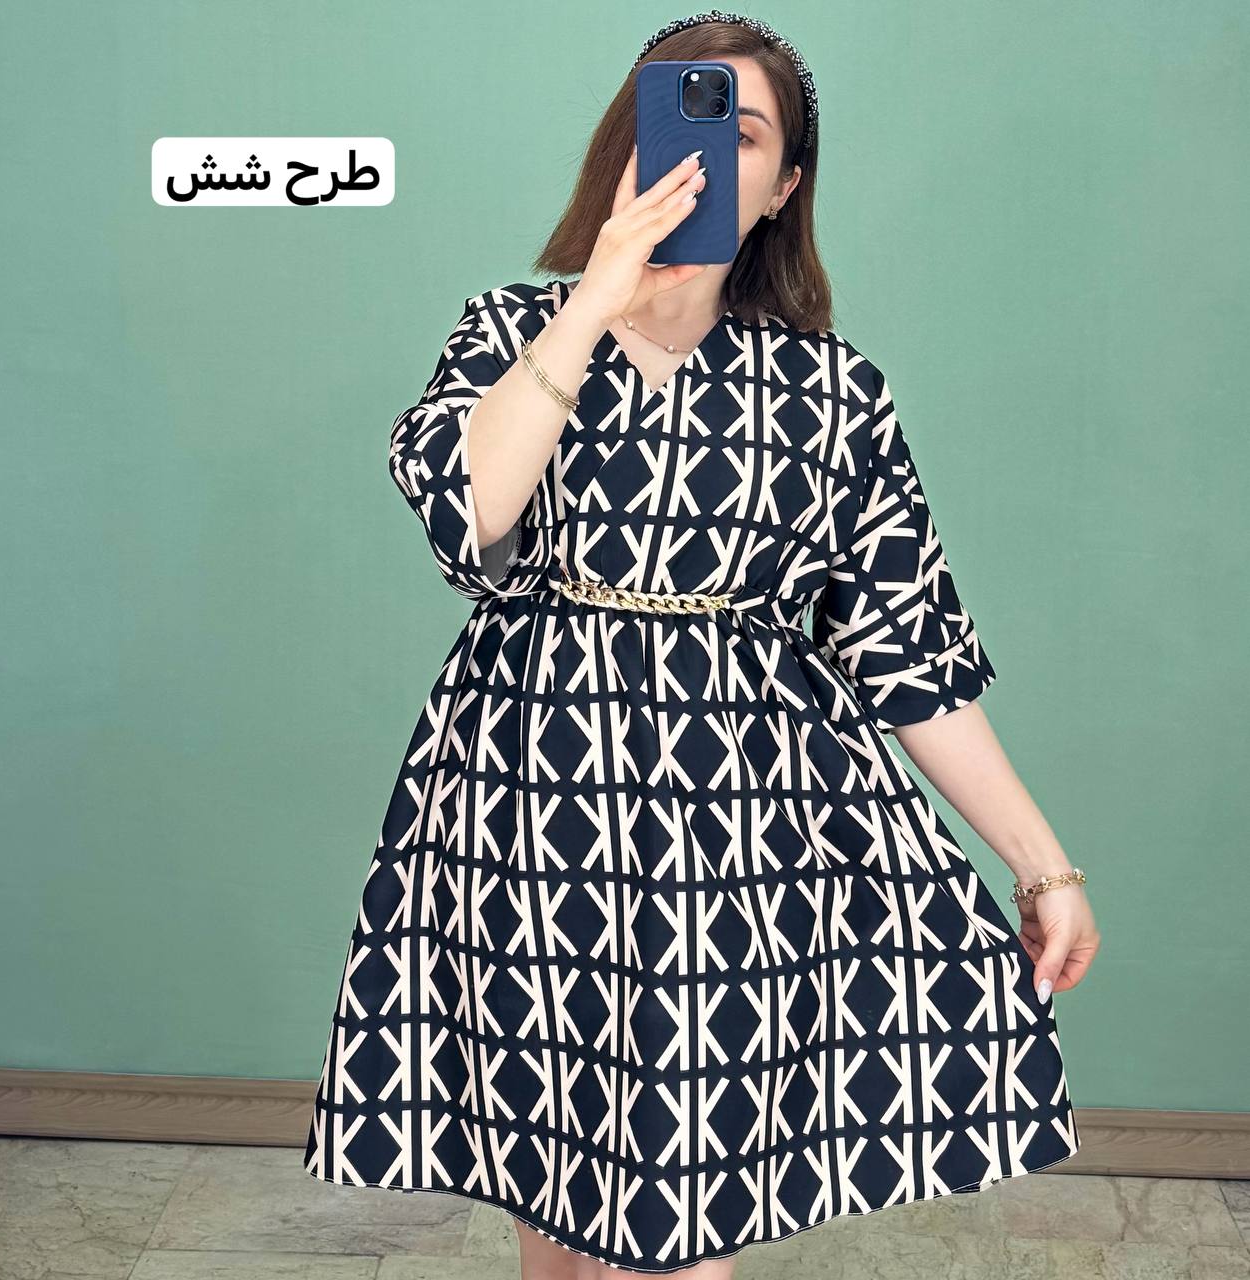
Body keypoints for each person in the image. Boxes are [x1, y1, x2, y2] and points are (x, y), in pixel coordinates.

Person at [303, 11, 1100, 1278]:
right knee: (555, 1203)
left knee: (679, 1223)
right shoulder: (511, 329)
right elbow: (469, 515)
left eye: (745, 133)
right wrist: (595, 301)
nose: (707, 153)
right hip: (527, 809)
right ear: (625, 146)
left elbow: (912, 656)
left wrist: (1040, 863)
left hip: (741, 833)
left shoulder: (833, 394)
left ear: (782, 187)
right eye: (679, 118)